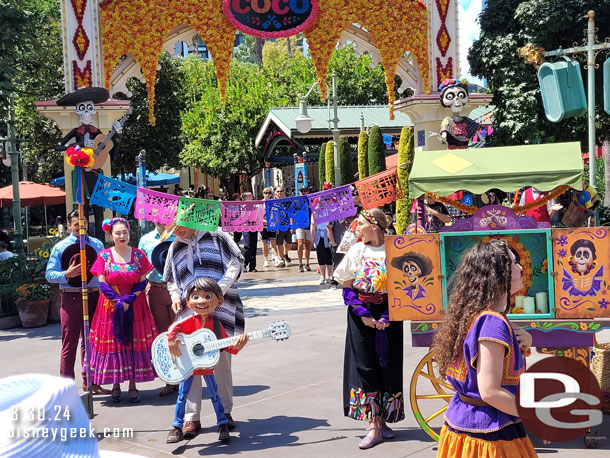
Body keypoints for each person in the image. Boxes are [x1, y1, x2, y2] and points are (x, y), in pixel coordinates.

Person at [433, 239, 537, 457]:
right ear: (499, 276)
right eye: (513, 263)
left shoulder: (477, 314)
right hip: (488, 435)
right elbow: (490, 391)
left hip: (464, 422)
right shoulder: (492, 322)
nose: (519, 267)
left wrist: (524, 340)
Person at [163, 224, 245, 437]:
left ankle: (225, 412)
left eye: (179, 227)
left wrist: (218, 291)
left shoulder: (217, 235)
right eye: (171, 229)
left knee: (222, 360)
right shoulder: (175, 247)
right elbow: (172, 280)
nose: (177, 233)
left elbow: (235, 263)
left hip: (220, 306)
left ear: (189, 220)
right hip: (189, 312)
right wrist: (174, 297)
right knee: (189, 363)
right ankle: (191, 417)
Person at [334, 208, 404, 449]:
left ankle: (384, 420)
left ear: (375, 225)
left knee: (388, 364)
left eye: (360, 224)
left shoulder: (395, 248)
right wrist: (363, 314)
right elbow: (347, 287)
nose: (357, 228)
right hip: (360, 316)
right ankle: (373, 424)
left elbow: (405, 286)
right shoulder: (356, 250)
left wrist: (388, 315)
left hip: (391, 313)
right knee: (365, 365)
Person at [165, 278, 248, 444]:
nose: (201, 301)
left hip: (208, 368)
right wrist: (172, 339)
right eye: (195, 297)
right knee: (182, 396)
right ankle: (176, 426)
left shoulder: (216, 325)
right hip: (190, 367)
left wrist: (238, 346)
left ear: (219, 300)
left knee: (215, 395)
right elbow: (173, 329)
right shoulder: (187, 322)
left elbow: (227, 347)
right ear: (187, 302)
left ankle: (222, 424)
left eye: (208, 296)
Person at [89, 218, 158, 403]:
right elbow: (102, 282)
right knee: (116, 343)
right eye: (117, 233)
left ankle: (133, 385)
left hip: (136, 304)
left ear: (129, 233)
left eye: (124, 232)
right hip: (110, 306)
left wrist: (130, 299)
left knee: (133, 343)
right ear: (110, 235)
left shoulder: (138, 255)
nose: (121, 236)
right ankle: (115, 385)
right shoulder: (104, 256)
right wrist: (118, 301)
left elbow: (143, 280)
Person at [45, 209, 109, 394]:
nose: (81, 228)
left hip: (94, 295)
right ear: (69, 226)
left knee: (91, 341)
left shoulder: (97, 244)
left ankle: (90, 381)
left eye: (84, 224)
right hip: (71, 296)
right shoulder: (60, 247)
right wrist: (67, 274)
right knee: (70, 342)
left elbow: (106, 268)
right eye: (76, 225)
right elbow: (50, 274)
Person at [138, 223, 178, 396]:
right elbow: (139, 266)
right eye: (156, 216)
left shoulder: (179, 236)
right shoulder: (145, 240)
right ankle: (170, 379)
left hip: (177, 290)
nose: (160, 220)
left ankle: (187, 378)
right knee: (163, 336)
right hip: (155, 289)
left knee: (181, 334)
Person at [261, 187, 280, 268]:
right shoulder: (261, 204)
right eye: (266, 193)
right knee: (265, 243)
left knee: (273, 243)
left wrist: (277, 225)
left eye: (269, 193)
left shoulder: (273, 203)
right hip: (263, 225)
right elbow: (258, 215)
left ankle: (276, 258)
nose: (267, 194)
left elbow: (276, 215)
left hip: (272, 225)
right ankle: (265, 259)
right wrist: (263, 221)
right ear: (263, 194)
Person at [295, 187, 313, 272]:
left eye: (305, 191)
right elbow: (292, 213)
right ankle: (300, 263)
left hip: (309, 225)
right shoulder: (296, 201)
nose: (303, 192)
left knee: (308, 245)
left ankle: (307, 263)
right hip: (299, 225)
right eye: (301, 191)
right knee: (300, 244)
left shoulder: (311, 200)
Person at [311, 217, 333, 286]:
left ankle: (329, 276)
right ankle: (322, 276)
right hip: (319, 234)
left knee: (330, 256)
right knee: (321, 255)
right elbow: (313, 224)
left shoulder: (331, 209)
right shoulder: (315, 211)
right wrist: (312, 236)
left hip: (330, 234)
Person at [274, 186, 292, 266]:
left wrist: (292, 224)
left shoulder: (287, 202)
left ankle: (285, 253)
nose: (279, 193)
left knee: (289, 242)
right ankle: (281, 259)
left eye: (281, 191)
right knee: (279, 243)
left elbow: (291, 212)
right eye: (278, 191)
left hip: (287, 224)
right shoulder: (273, 203)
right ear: (275, 193)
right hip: (278, 225)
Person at [241, 192, 258, 272]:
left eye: (251, 196)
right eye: (249, 196)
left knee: (253, 246)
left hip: (254, 226)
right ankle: (244, 263)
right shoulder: (243, 206)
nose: (251, 197)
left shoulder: (255, 205)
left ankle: (252, 266)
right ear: (245, 198)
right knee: (248, 246)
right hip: (246, 226)